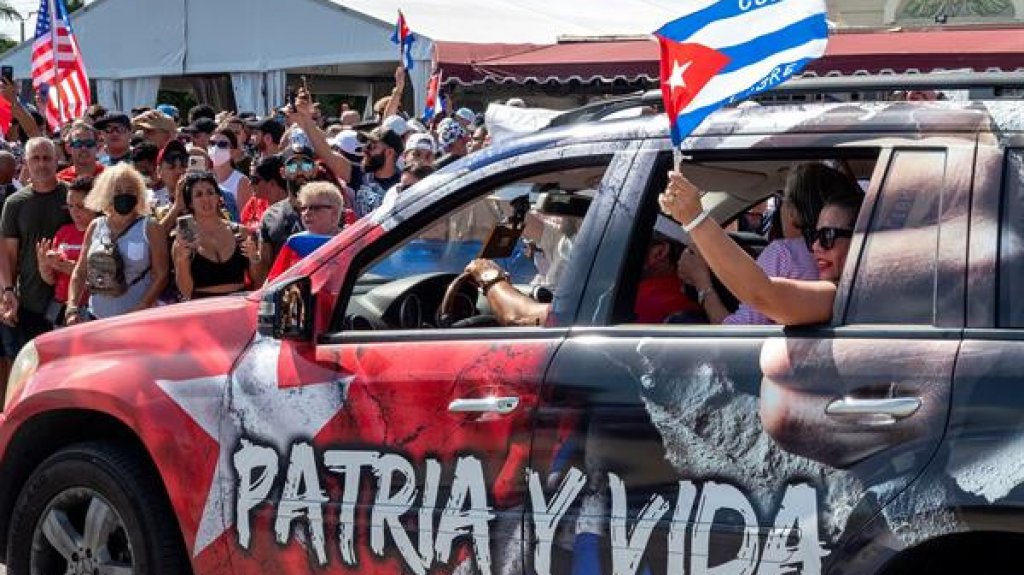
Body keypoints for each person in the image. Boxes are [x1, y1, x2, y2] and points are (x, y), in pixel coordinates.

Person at [659, 169, 864, 325]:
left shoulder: (843, 294)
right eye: (814, 235)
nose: (816, 246)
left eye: (827, 236)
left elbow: (763, 295)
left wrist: (695, 220)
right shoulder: (840, 292)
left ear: (861, 240)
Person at [67, 164, 169, 323]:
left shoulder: (150, 227)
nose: (124, 195)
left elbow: (161, 275)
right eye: (118, 190)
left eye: (130, 190)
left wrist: (142, 307)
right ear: (106, 193)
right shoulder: (95, 226)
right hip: (97, 318)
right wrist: (72, 308)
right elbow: (80, 271)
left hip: (138, 321)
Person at [0, 138, 72, 355]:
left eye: (47, 158)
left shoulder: (72, 196)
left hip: (70, 301)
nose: (41, 164)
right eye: (36, 158)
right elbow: (8, 255)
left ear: (56, 160)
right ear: (25, 162)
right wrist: (8, 292)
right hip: (30, 302)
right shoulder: (14, 203)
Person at [171, 171, 259, 300]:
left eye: (210, 193)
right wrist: (182, 259)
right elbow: (186, 291)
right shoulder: (183, 241)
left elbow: (259, 281)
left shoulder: (241, 232)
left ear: (218, 197)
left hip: (238, 307)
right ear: (190, 203)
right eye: (198, 195)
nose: (206, 199)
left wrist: (254, 258)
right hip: (204, 309)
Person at [35, 177, 97, 326]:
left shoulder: (102, 232)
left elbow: (100, 277)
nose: (75, 212)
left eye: (81, 206)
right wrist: (44, 265)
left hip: (90, 308)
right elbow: (51, 280)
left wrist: (64, 266)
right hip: (60, 307)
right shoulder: (63, 232)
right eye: (70, 206)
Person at [265, 182, 344, 282]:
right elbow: (274, 281)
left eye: (315, 208)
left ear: (334, 213)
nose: (307, 213)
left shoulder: (351, 241)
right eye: (303, 208)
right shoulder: (296, 242)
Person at [209, 128, 253, 216]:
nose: (215, 148)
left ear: (232, 151)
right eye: (212, 143)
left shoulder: (242, 181)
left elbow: (244, 219)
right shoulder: (205, 178)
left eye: (222, 144)